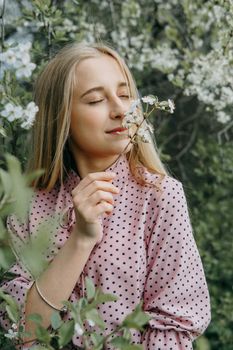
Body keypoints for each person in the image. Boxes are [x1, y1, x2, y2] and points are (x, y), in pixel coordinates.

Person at [0, 42, 211, 349]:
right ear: (62, 118)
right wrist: (82, 238)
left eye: (125, 95)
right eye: (96, 99)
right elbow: (22, 330)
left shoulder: (160, 196)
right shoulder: (30, 204)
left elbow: (172, 326)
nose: (120, 109)